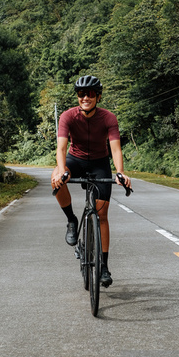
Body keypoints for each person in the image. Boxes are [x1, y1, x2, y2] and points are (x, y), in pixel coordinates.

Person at [51, 75, 132, 288]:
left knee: (102, 215)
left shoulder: (108, 118)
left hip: (99, 163)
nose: (85, 97)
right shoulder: (68, 117)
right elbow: (61, 148)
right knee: (56, 179)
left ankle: (104, 267)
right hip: (75, 159)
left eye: (90, 93)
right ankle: (71, 219)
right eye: (81, 93)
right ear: (77, 96)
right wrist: (61, 171)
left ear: (98, 96)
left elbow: (115, 148)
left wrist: (121, 172)